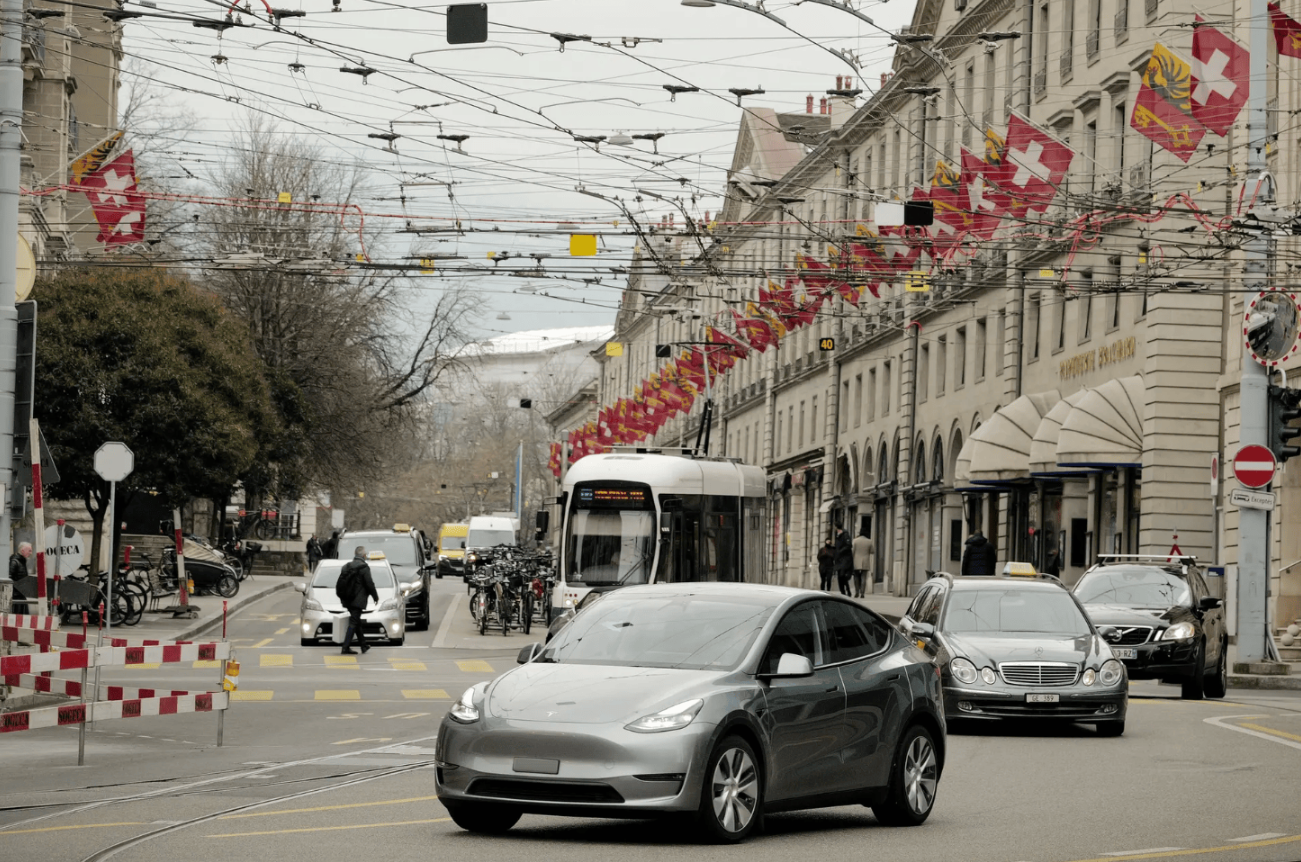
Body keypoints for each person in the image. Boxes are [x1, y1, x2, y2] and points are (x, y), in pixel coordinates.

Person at [335, 546, 377, 655]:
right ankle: (345, 647)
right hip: (358, 600)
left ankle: (363, 645)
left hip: (347, 599)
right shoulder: (364, 567)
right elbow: (369, 584)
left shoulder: (346, 566)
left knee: (356, 621)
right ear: (363, 555)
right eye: (365, 554)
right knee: (354, 622)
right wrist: (375, 596)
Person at [852, 530, 874, 599]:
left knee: (856, 577)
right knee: (863, 577)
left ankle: (856, 592)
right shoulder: (869, 541)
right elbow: (872, 551)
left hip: (856, 560)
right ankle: (862, 593)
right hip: (865, 561)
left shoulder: (855, 541)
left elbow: (852, 551)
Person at [833, 526, 854, 597]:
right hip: (839, 559)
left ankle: (846, 591)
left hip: (845, 559)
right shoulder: (837, 536)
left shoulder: (845, 535)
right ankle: (843, 592)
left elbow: (849, 545)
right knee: (840, 576)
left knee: (842, 575)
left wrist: (840, 551)